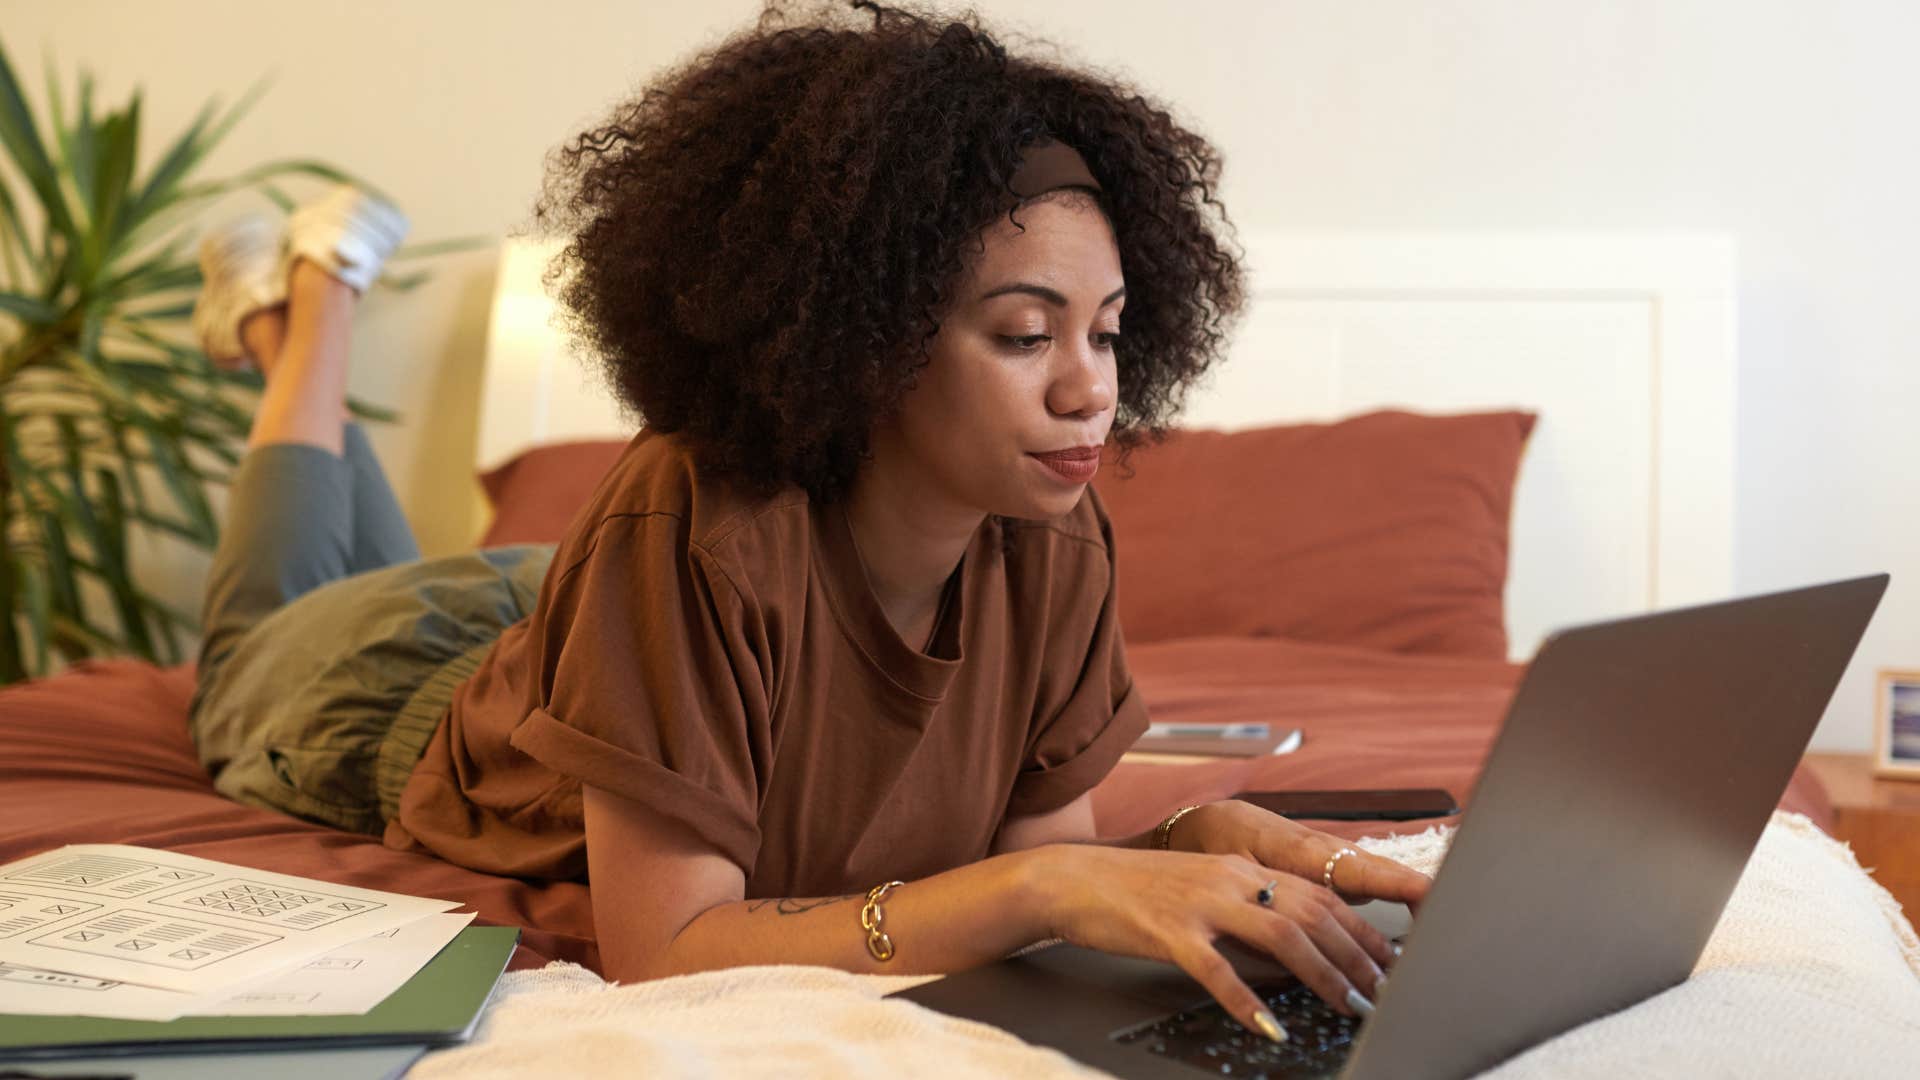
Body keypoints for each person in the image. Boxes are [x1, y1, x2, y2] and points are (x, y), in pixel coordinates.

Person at [184, 0, 1430, 1045]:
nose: (1090, 387)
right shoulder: (688, 520)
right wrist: (1052, 880)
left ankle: (297, 326)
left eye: (1106, 331)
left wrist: (1185, 838)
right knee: (257, 631)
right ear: (867, 338)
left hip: (574, 611)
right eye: (1023, 333)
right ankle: (306, 321)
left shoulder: (1050, 516)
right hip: (389, 685)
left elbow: (1036, 860)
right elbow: (667, 949)